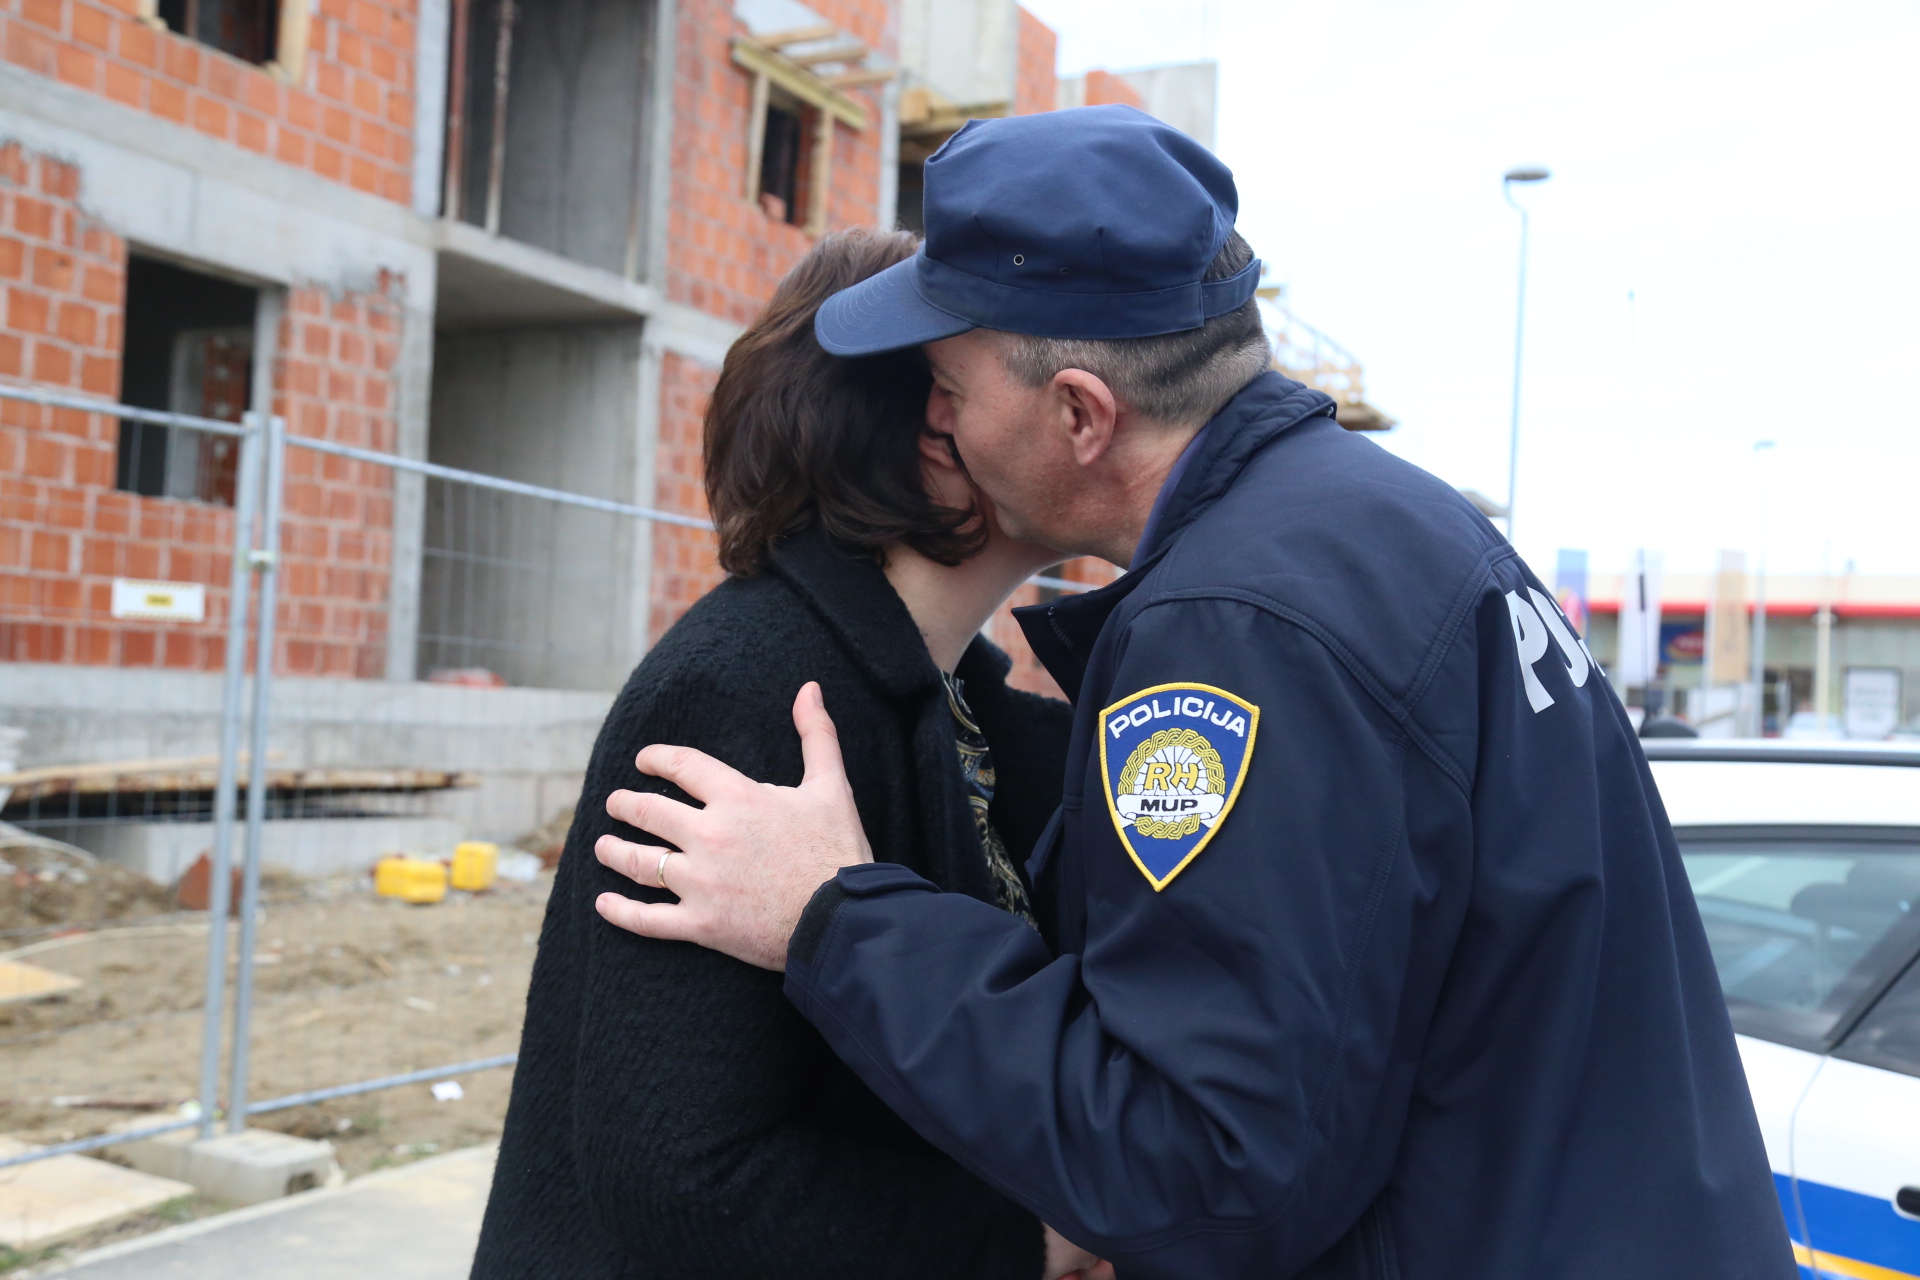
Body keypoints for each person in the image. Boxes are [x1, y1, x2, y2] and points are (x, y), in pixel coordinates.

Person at [589, 107, 1799, 1279]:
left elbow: (1208, 1171)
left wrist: (836, 920)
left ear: (1079, 412)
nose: (936, 421)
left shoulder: (1236, 628)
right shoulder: (1394, 526)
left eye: (949, 387)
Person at [469, 229, 1077, 1280]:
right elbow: (683, 1170)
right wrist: (1033, 1238)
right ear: (937, 429)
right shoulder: (751, 689)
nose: (1079, 411)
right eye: (1022, 376)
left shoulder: (953, 698)